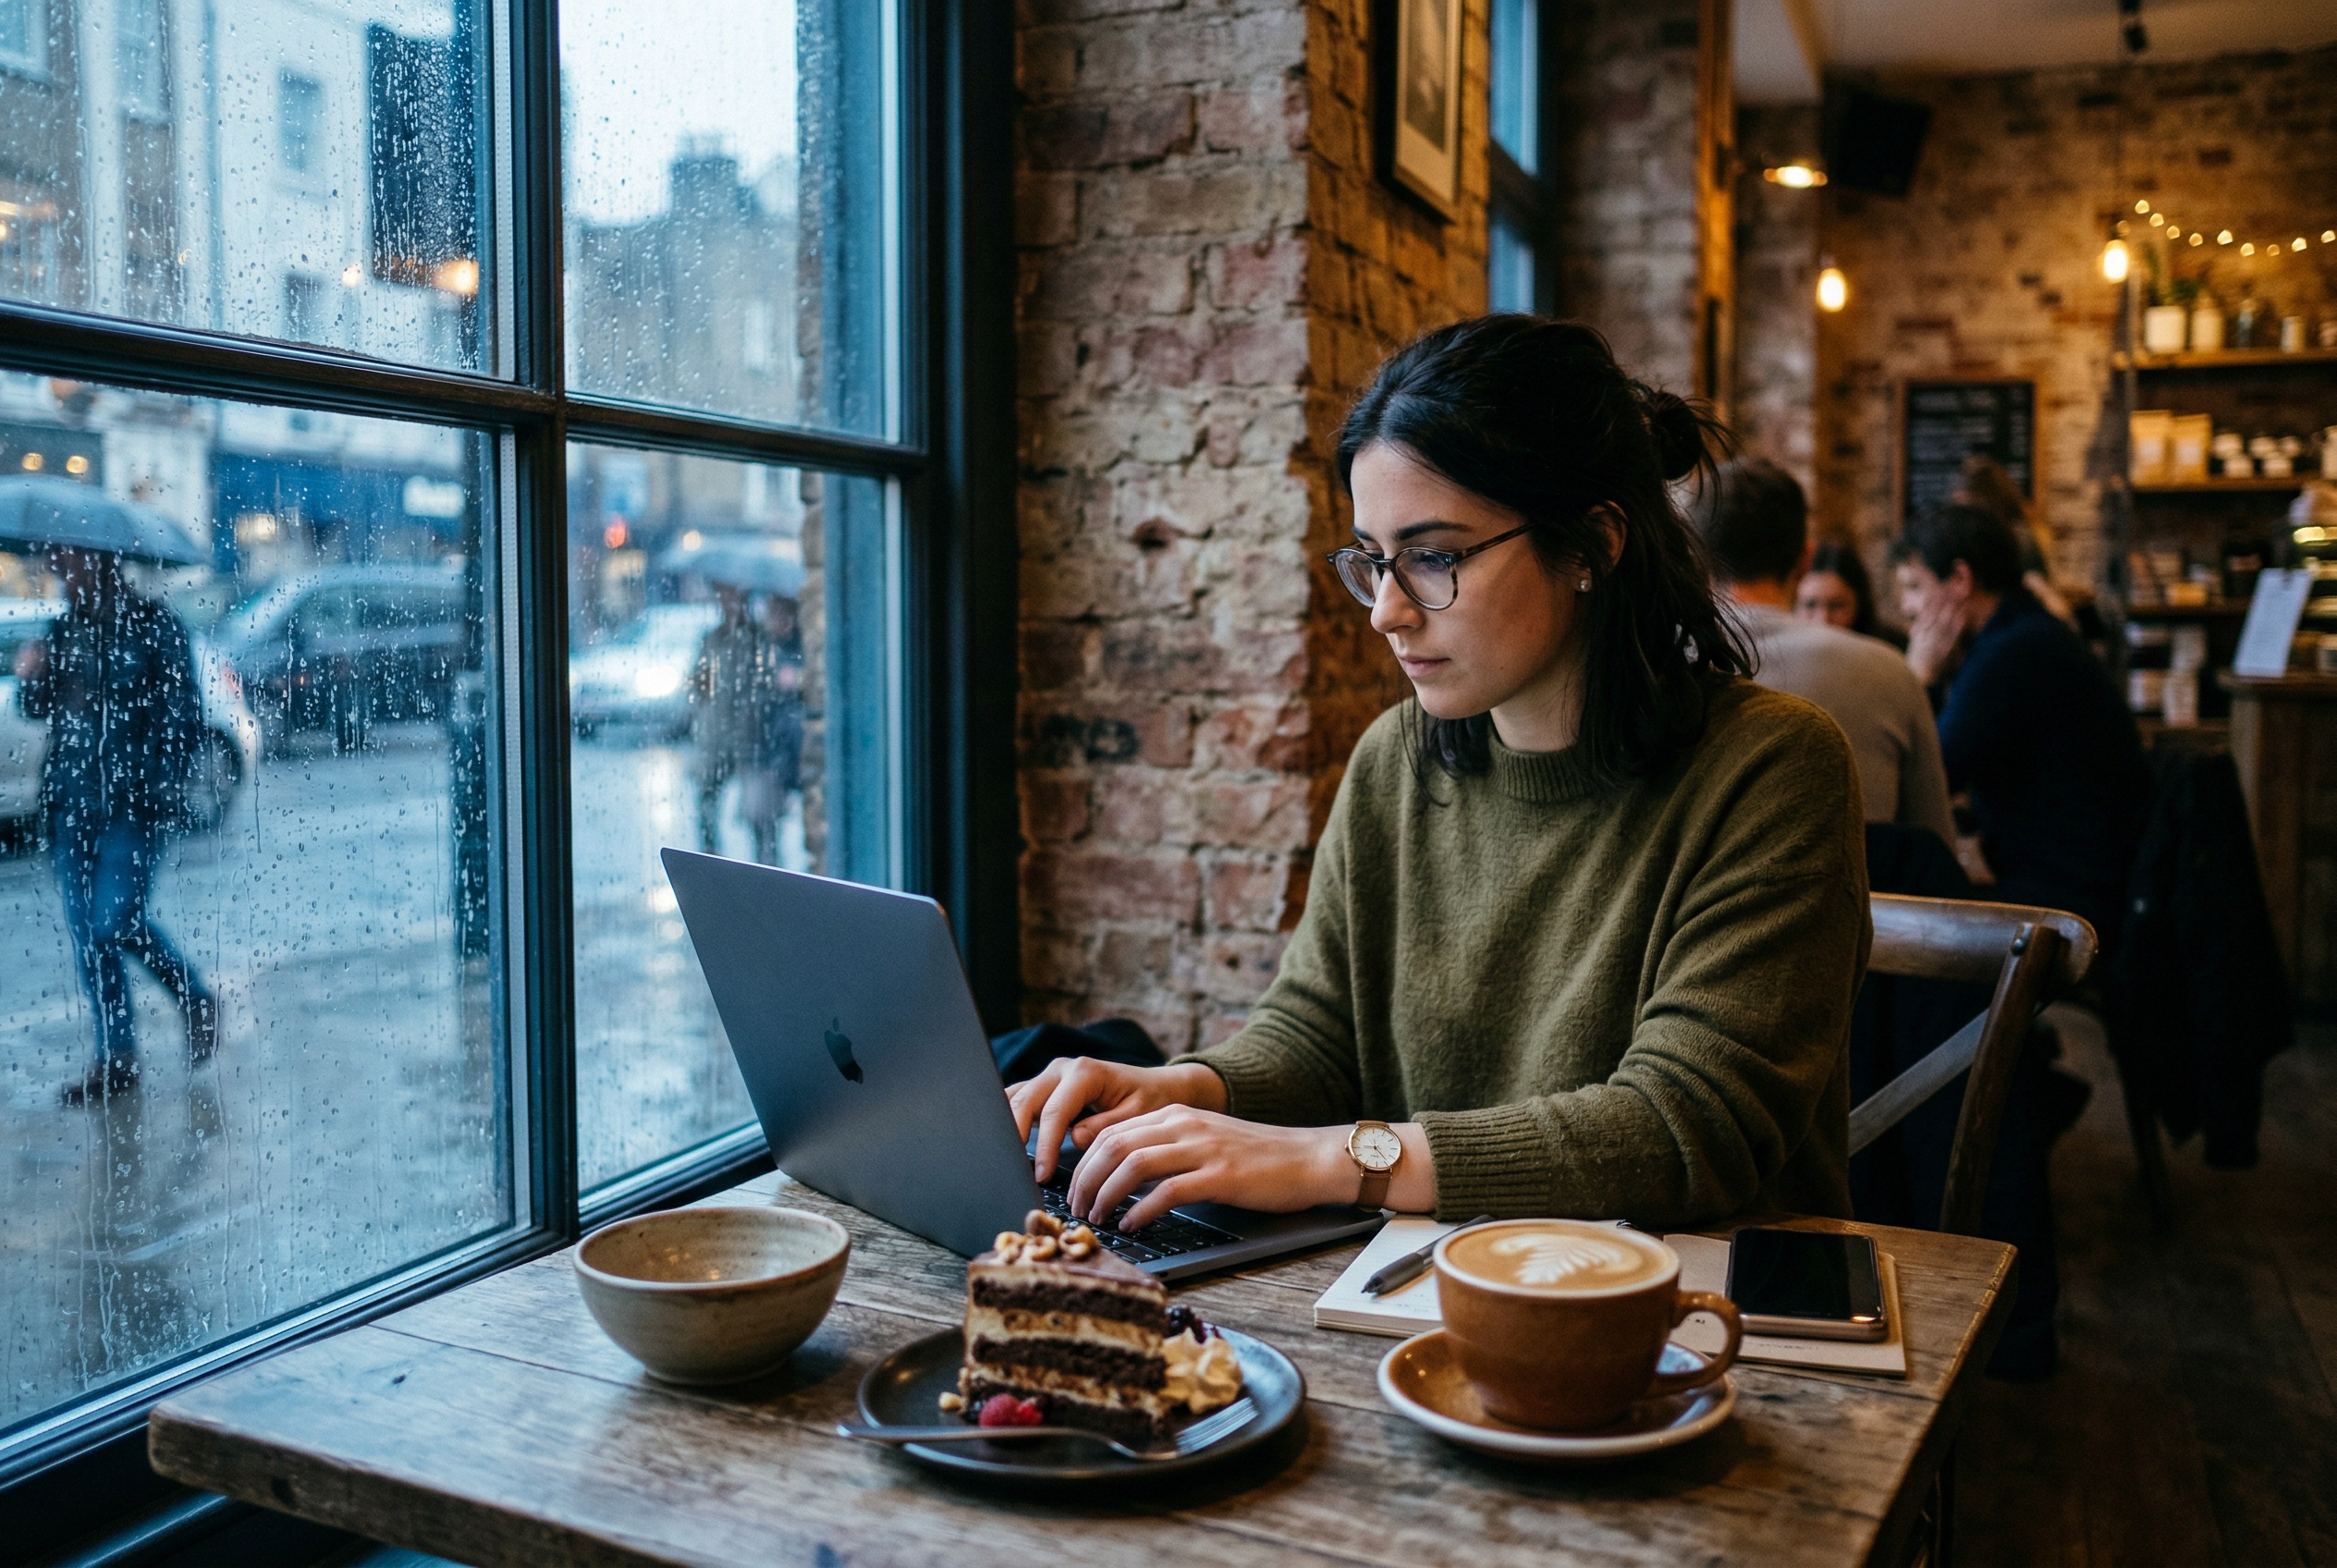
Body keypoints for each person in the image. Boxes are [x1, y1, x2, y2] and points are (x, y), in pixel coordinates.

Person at [1011, 317, 1870, 1233]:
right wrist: (1177, 1088)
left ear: (1590, 545)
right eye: (1375, 561)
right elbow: (1316, 1036)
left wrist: (1328, 1158)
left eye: (1431, 557)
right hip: (1431, 1290)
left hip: (1697, 1328)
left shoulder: (1772, 766)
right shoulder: (1396, 758)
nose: (1385, 612)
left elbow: (1681, 1129)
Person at [14, 545, 218, 1106]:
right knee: (88, 939)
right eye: (53, 564)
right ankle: (117, 1057)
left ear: (100, 560)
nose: (57, 572)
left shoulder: (154, 625)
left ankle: (193, 996)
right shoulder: (62, 630)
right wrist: (32, 675)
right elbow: (38, 709)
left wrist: (158, 786)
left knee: (114, 922)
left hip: (132, 807)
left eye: (66, 561)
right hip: (71, 803)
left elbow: (183, 713)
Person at [1893, 503, 2147, 940]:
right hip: (2082, 888)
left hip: (2069, 908)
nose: (1906, 607)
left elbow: (1930, 778)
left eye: (1914, 586)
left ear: (1960, 580)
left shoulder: (2014, 651)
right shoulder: (2026, 632)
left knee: (1899, 912)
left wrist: (1920, 677)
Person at [1692, 459, 1953, 845]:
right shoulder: (1888, 671)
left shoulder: (1646, 668)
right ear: (1805, 557)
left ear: (1696, 557)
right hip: (1861, 905)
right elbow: (1935, 848)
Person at [687, 582, 778, 856]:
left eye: (736, 597)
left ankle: (766, 867)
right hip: (716, 738)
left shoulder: (758, 638)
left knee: (758, 812)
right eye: (726, 597)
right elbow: (699, 683)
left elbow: (768, 684)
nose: (731, 604)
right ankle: (710, 860)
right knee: (706, 804)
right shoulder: (711, 639)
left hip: (750, 737)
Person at [737, 593, 804, 867]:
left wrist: (794, 679)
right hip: (764, 748)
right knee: (762, 823)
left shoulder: (797, 646)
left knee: (781, 824)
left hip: (788, 749)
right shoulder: (761, 649)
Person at [1796, 538, 1891, 643]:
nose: (1823, 620)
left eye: (1836, 605)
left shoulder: (1891, 649)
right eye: (1810, 605)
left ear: (1860, 606)